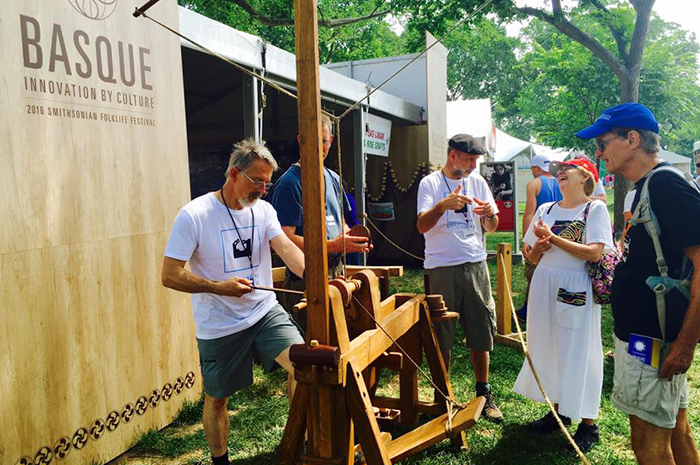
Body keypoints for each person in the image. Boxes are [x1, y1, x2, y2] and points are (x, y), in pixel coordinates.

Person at [161, 140, 306, 465]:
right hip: (220, 324)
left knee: (304, 369)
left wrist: (312, 274)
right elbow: (170, 275)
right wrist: (219, 287)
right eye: (258, 181)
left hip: (263, 312)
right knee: (216, 400)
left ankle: (298, 445)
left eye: (267, 182)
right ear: (233, 173)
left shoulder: (264, 211)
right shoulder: (195, 215)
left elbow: (285, 247)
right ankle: (220, 461)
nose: (264, 190)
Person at [579, 102, 700, 464]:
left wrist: (684, 345)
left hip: (655, 339)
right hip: (641, 337)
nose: (598, 153)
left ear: (632, 139)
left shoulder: (666, 185)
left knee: (647, 441)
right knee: (675, 430)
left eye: (602, 143)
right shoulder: (646, 187)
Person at [513, 157, 612, 453]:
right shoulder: (546, 209)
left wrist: (553, 238)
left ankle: (588, 424)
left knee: (579, 349)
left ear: (584, 176)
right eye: (557, 172)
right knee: (549, 346)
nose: (559, 175)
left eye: (566, 170)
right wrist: (539, 249)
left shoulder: (594, 209)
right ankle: (559, 412)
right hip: (544, 284)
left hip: (575, 286)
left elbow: (595, 252)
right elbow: (529, 253)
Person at [416, 134, 503, 423]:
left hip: (475, 265)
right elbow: (421, 226)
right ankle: (443, 397)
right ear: (453, 155)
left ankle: (484, 393)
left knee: (481, 328)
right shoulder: (430, 184)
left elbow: (491, 226)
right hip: (441, 267)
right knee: (442, 335)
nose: (474, 165)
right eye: (469, 159)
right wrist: (442, 206)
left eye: (476, 160)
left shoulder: (477, 182)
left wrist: (490, 214)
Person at [269, 114, 371, 326]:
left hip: (337, 271)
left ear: (331, 141)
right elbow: (283, 239)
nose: (319, 147)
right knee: (309, 345)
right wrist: (333, 246)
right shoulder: (289, 183)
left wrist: (350, 239)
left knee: (338, 338)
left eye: (323, 141)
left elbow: (340, 219)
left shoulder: (332, 178)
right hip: (305, 277)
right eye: (313, 141)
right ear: (300, 140)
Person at [519, 154, 563, 321]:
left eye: (532, 169)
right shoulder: (561, 181)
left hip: (539, 234)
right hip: (560, 234)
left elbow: (530, 213)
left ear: (537, 168)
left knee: (533, 274)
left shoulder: (534, 184)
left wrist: (526, 240)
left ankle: (527, 311)